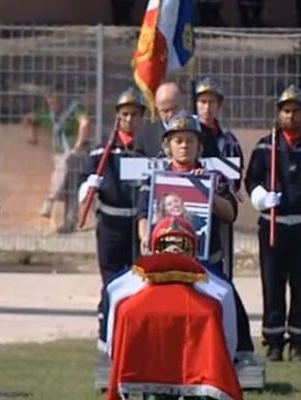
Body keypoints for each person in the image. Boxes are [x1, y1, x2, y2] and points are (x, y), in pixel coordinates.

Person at [138, 111, 256, 364]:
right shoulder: (155, 179)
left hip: (206, 263)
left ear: (199, 145)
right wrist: (144, 236)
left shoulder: (215, 178)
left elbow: (231, 213)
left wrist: (208, 195)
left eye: (190, 140)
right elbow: (142, 214)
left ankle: (233, 355)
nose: (184, 145)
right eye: (178, 140)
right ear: (167, 145)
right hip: (164, 265)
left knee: (226, 300)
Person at [104, 215, 242, 400]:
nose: (174, 250)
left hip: (147, 368)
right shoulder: (219, 289)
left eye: (180, 245)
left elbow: (113, 340)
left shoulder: (124, 288)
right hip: (199, 373)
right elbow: (228, 342)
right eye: (168, 245)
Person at [244, 84, 301, 361]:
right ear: (278, 113)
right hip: (273, 224)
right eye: (286, 110)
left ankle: (299, 341)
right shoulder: (266, 145)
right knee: (273, 284)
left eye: (296, 111)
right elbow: (252, 179)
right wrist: (261, 198)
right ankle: (274, 340)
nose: (290, 116)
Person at [78, 86, 145, 285]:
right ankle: (107, 313)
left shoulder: (149, 149)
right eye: (124, 114)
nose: (129, 119)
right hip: (111, 224)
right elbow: (84, 181)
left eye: (134, 114)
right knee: (111, 278)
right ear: (117, 116)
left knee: (139, 278)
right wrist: (89, 186)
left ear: (142, 116)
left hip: (139, 224)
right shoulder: (101, 151)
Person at [194, 77, 244, 279]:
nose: (207, 108)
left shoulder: (228, 141)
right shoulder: (185, 135)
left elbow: (235, 177)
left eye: (212, 102)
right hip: (189, 210)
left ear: (219, 105)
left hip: (218, 210)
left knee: (220, 271)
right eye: (202, 102)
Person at [25, 86, 90, 233]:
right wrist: (33, 135)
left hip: (76, 154)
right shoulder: (45, 112)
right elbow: (29, 119)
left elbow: (85, 122)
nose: (53, 103)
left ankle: (50, 199)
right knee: (70, 187)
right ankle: (69, 223)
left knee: (67, 165)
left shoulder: (74, 108)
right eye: (50, 100)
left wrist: (78, 145)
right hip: (58, 155)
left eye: (56, 99)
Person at [134, 81, 184, 158]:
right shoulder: (144, 137)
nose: (171, 114)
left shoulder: (200, 132)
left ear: (182, 104)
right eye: (165, 111)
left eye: (174, 108)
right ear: (157, 109)